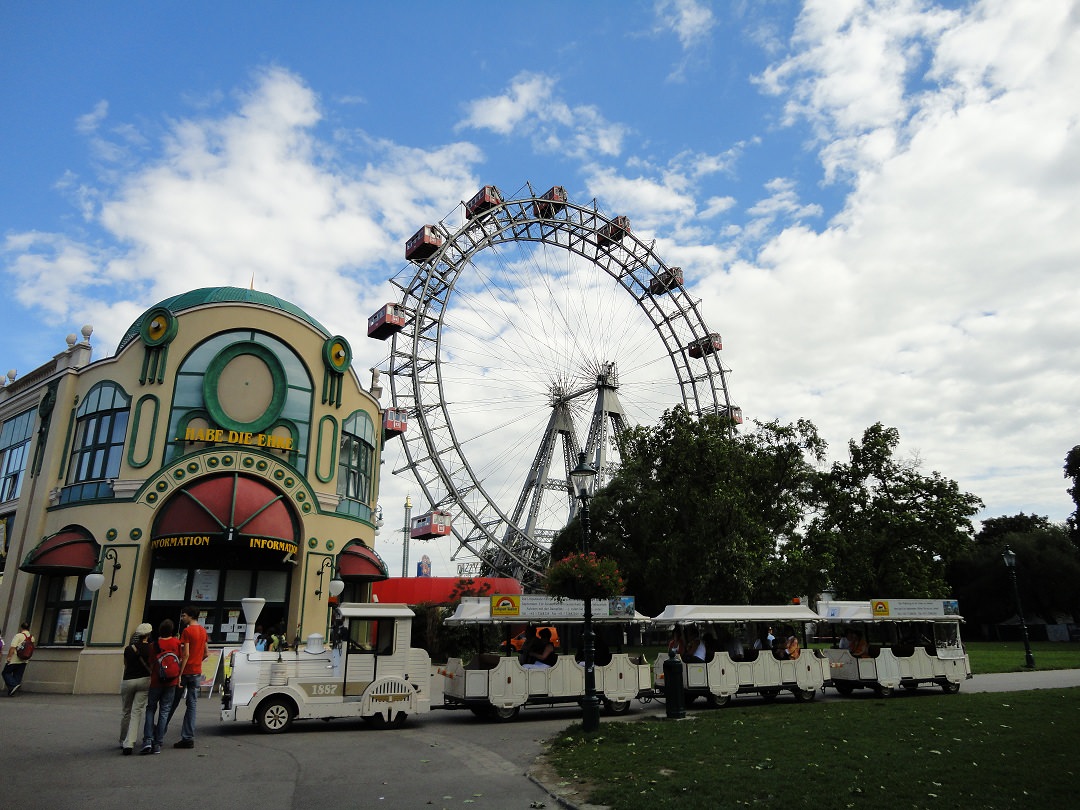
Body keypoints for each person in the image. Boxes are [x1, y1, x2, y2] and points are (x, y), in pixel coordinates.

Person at [142, 618, 181, 754]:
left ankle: (147, 740)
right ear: (172, 630)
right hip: (171, 681)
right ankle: (158, 743)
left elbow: (151, 662)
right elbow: (180, 660)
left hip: (156, 680)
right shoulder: (177, 642)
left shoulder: (154, 644)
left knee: (150, 709)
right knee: (165, 710)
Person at [173, 606, 208, 749]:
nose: (182, 618)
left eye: (184, 616)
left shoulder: (187, 631)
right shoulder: (203, 631)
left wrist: (180, 673)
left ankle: (159, 733)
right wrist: (198, 660)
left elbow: (185, 654)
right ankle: (188, 736)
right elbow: (206, 653)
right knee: (192, 704)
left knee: (172, 701)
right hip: (197, 671)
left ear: (190, 616)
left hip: (186, 671)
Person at [119, 623, 152, 755]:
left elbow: (126, 665)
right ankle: (130, 742)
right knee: (136, 711)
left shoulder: (128, 649)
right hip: (144, 680)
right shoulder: (150, 649)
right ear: (148, 635)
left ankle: (122, 739)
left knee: (126, 711)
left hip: (128, 680)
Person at [3, 621, 33, 696]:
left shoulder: (18, 636)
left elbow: (13, 647)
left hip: (15, 658)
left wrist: (9, 657)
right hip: (24, 659)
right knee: (18, 675)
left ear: (21, 628)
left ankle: (13, 685)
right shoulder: (32, 637)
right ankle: (12, 690)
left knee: (5, 672)